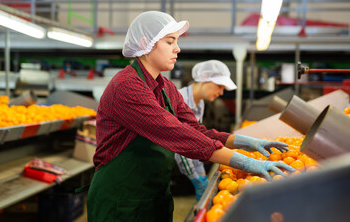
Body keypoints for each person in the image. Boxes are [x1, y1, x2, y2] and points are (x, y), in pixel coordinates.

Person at [87, 11, 295, 222]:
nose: (177, 48)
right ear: (145, 43)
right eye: (170, 42)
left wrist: (244, 142)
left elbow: (196, 130)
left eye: (176, 41)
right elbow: (176, 133)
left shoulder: (166, 87)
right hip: (120, 202)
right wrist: (248, 163)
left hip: (154, 198)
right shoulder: (126, 87)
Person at [175, 60, 237, 201]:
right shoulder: (180, 100)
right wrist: (196, 178)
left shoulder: (200, 103)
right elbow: (181, 146)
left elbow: (196, 139)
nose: (221, 92)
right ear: (204, 78)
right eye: (219, 86)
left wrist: (201, 174)